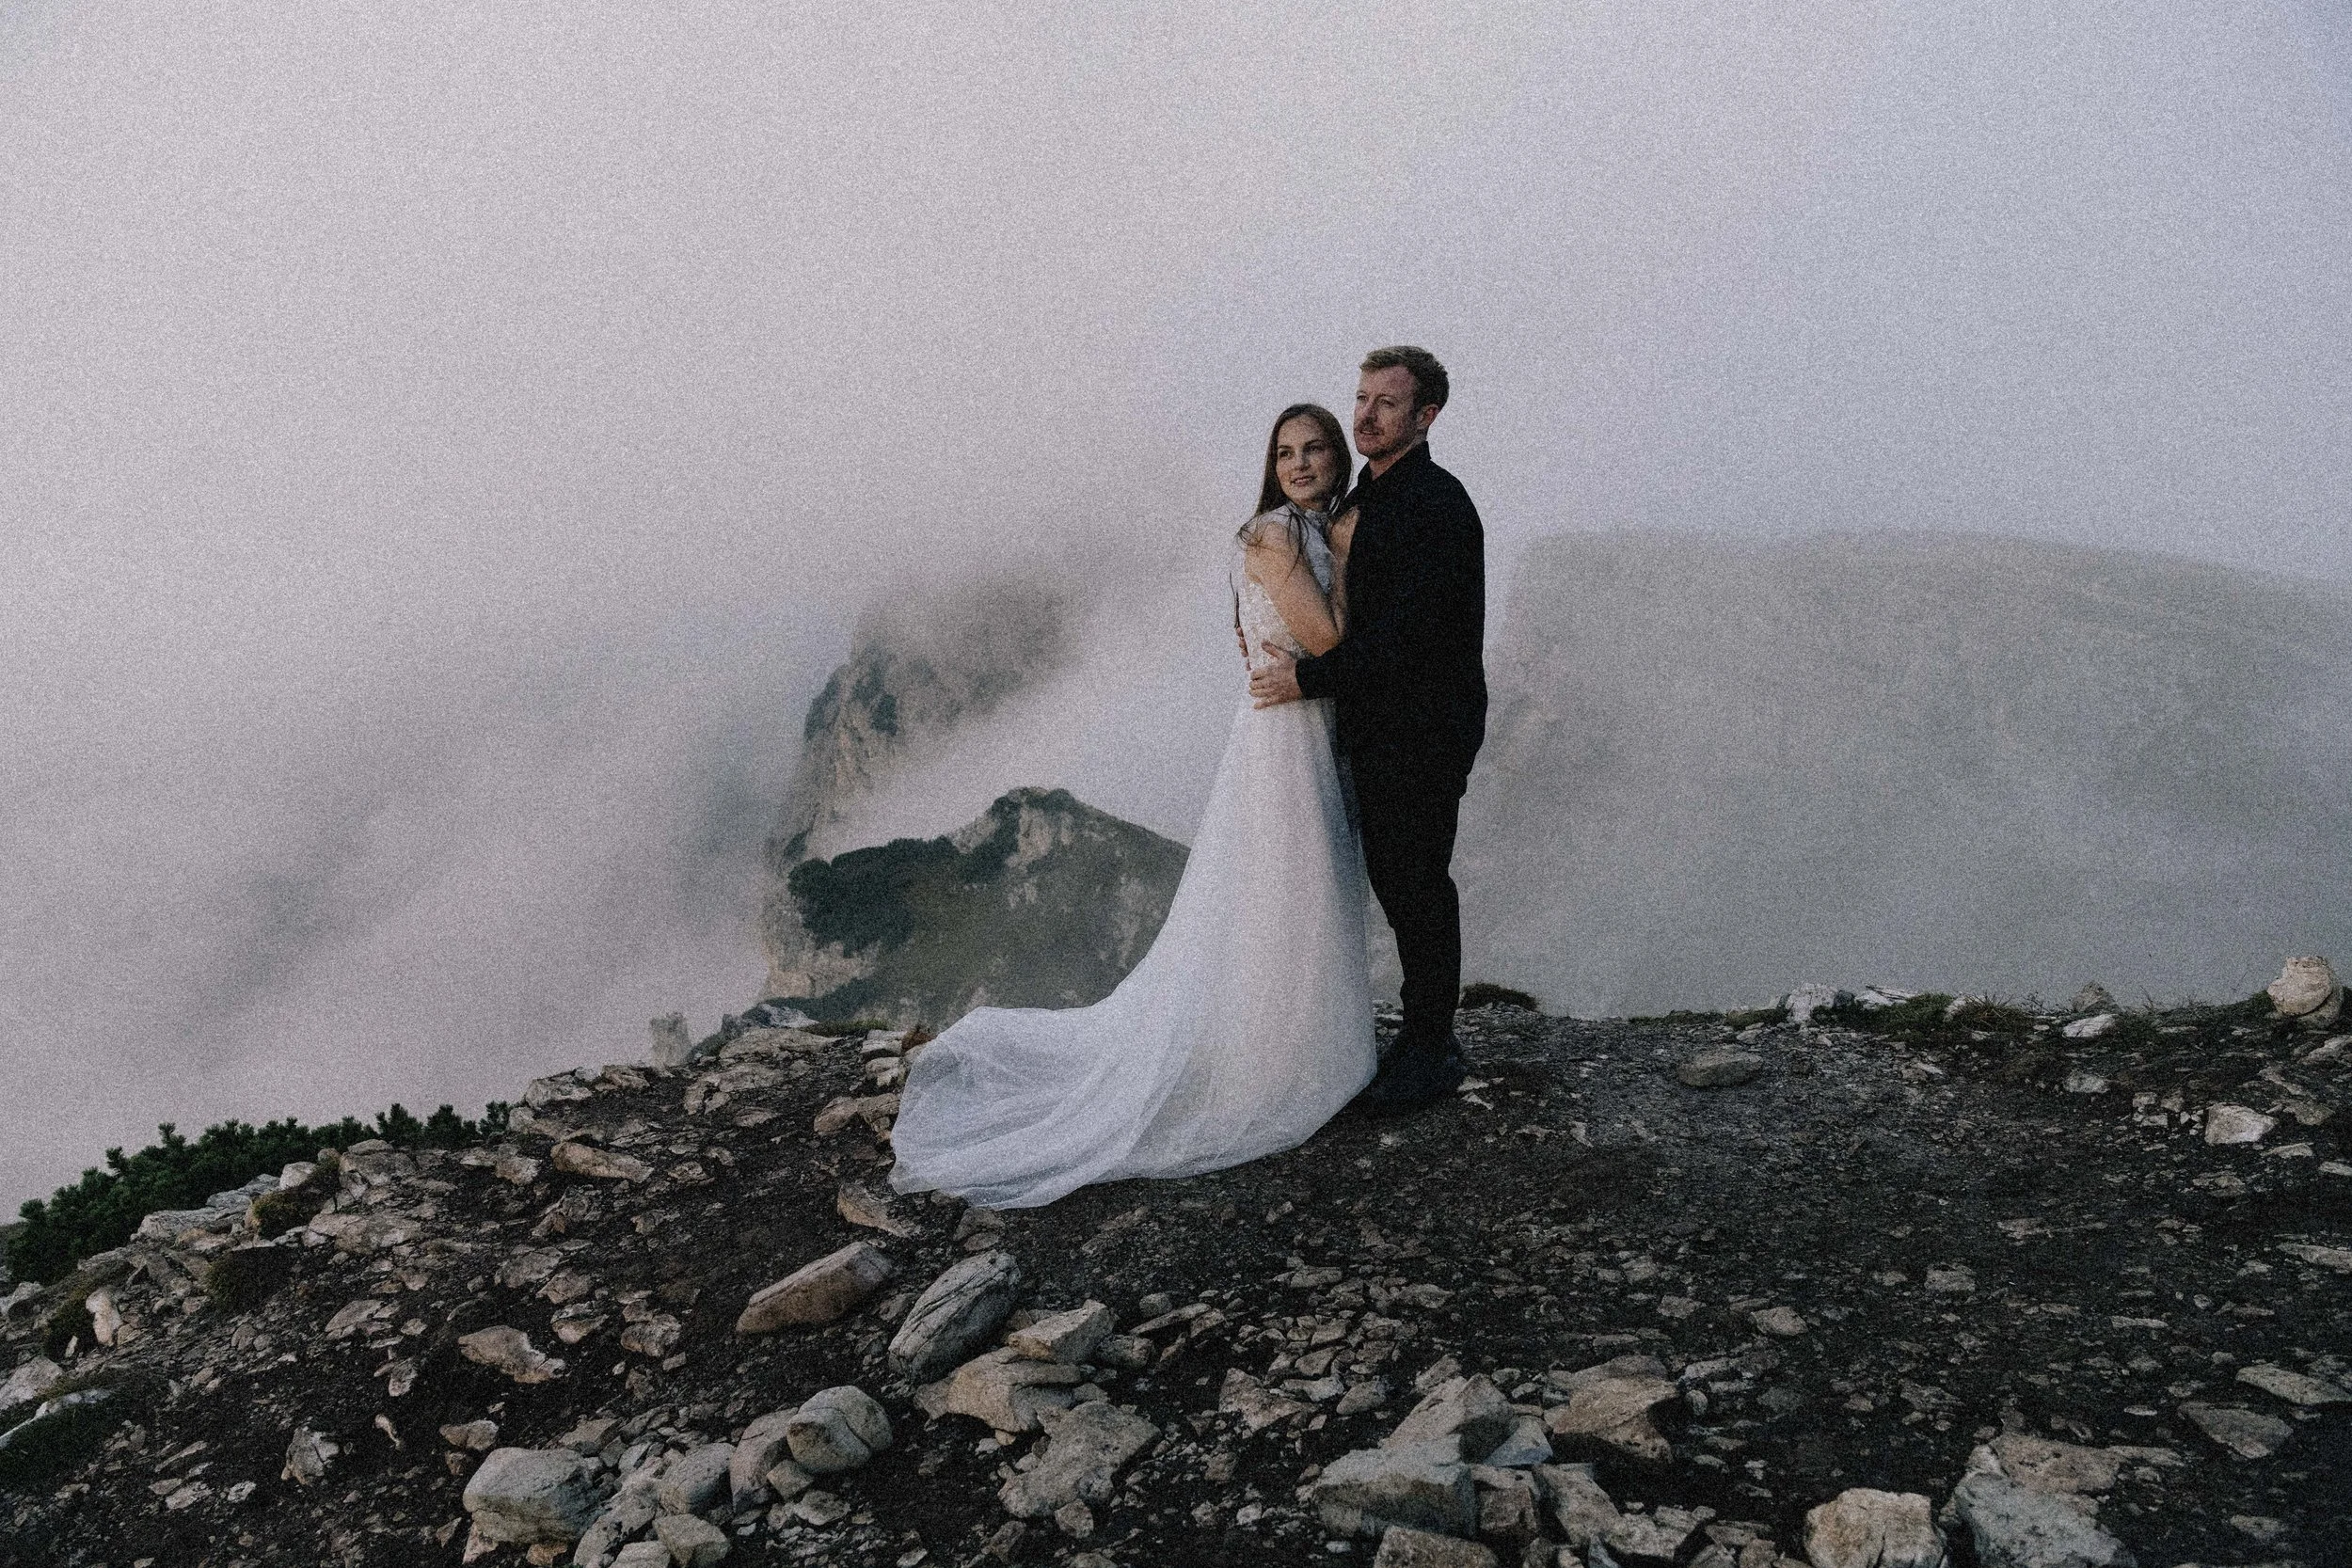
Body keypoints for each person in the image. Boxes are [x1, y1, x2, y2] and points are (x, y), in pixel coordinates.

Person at [888, 403, 1377, 1209]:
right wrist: (1353, 558)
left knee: (1302, 890)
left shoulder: (1305, 533)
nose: (1299, 463)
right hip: (1285, 734)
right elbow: (1329, 642)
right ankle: (1281, 1060)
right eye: (1285, 452)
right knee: (1290, 887)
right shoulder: (1276, 535)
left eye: (1315, 449)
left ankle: (1294, 1043)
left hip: (1305, 724)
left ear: (1335, 458)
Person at [1249, 346, 1486, 1114]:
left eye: (1387, 403)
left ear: (1426, 416)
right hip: (1376, 726)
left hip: (1425, 727)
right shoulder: (1365, 496)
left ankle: (1429, 1048)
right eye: (1361, 399)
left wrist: (1307, 679)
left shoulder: (1437, 505)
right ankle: (1421, 1036)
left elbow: (1408, 636)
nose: (1366, 415)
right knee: (1396, 877)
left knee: (1417, 881)